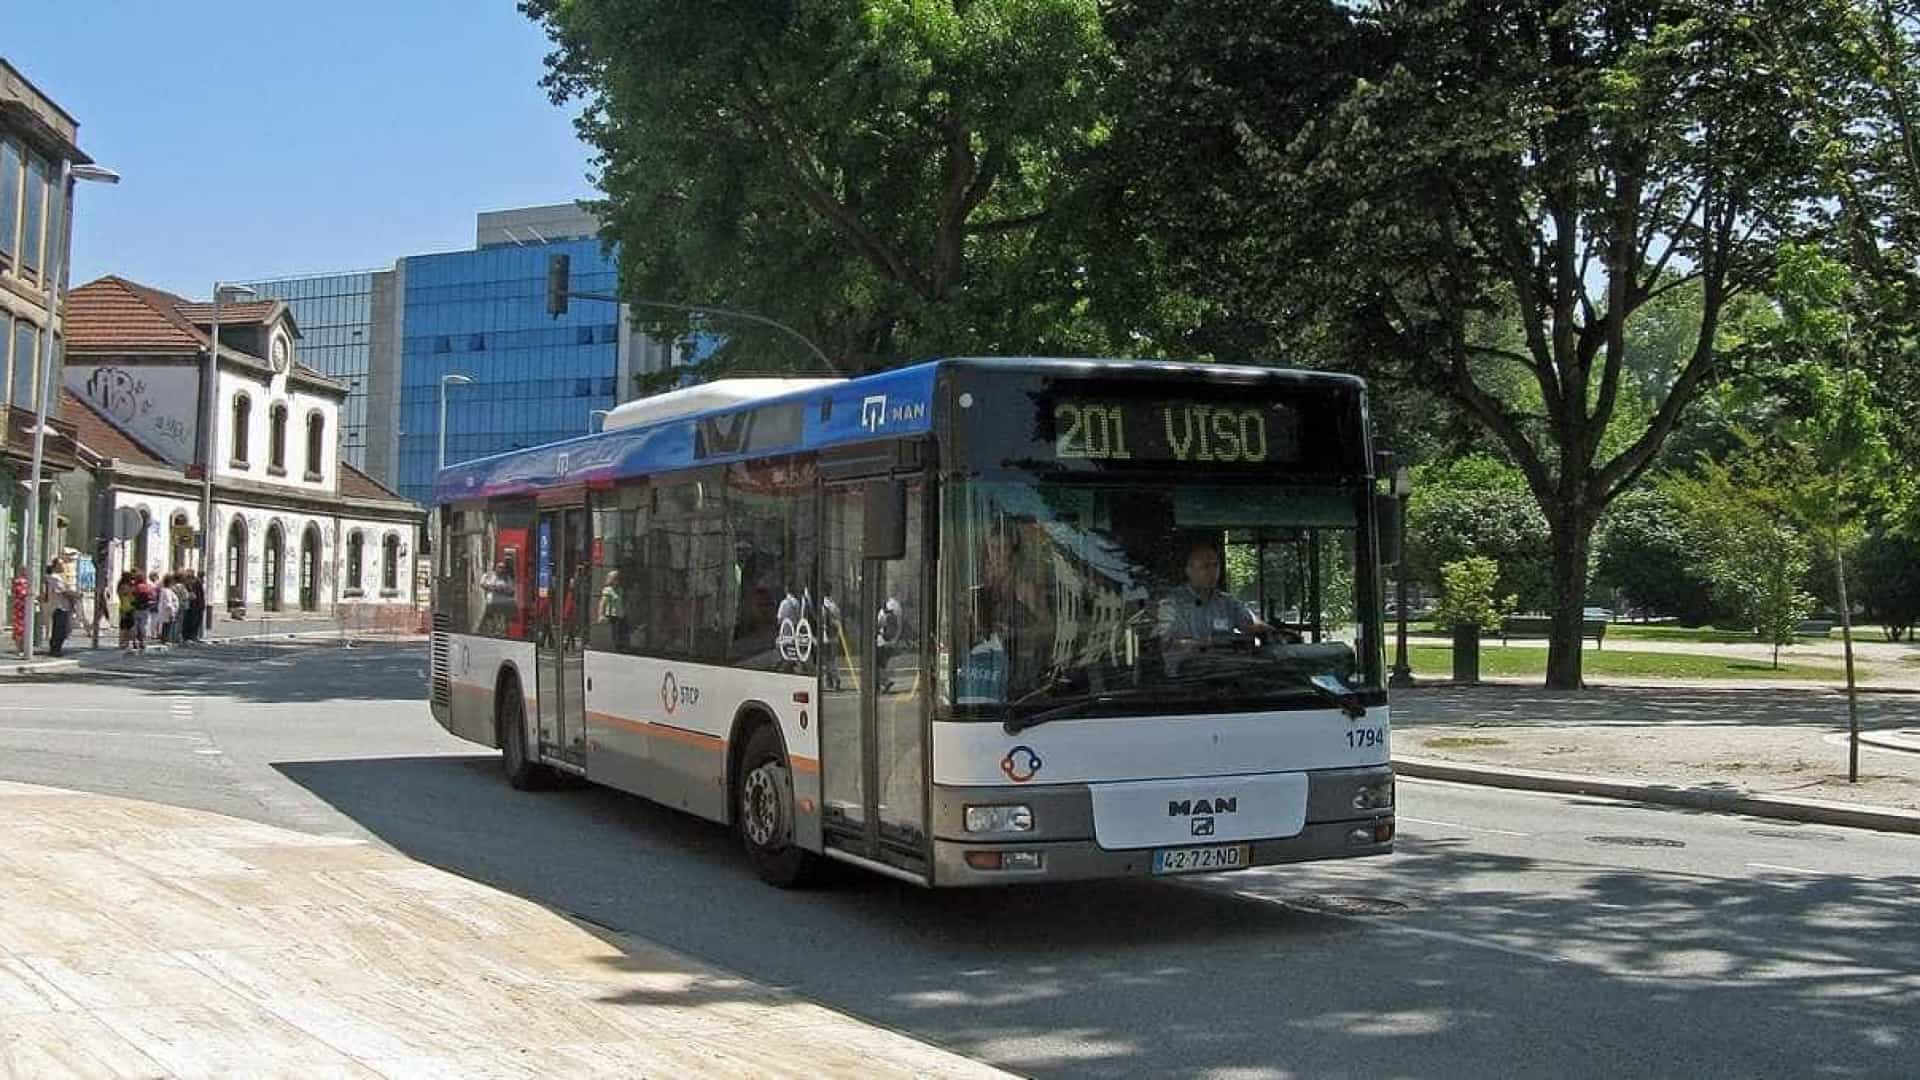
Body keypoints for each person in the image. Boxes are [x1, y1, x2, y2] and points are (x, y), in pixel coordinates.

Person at [1155, 539, 1275, 650]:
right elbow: (1164, 643)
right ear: (1189, 570)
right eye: (1206, 566)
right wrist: (1207, 644)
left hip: (1226, 669)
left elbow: (1251, 624)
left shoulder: (1227, 602)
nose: (1213, 572)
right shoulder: (1171, 603)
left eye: (1215, 565)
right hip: (1187, 670)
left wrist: (1271, 632)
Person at [42, 559, 79, 658]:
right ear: (56, 566)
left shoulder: (58, 577)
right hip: (59, 606)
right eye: (61, 564)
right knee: (60, 630)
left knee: (63, 629)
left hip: (62, 606)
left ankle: (56, 649)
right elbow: (63, 591)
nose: (64, 566)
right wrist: (76, 595)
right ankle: (55, 649)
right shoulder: (54, 578)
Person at [157, 573, 180, 647]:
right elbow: (168, 602)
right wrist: (172, 611)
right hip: (168, 611)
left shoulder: (167, 590)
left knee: (166, 625)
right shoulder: (166, 591)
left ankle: (165, 639)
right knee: (167, 626)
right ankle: (165, 639)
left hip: (167, 611)